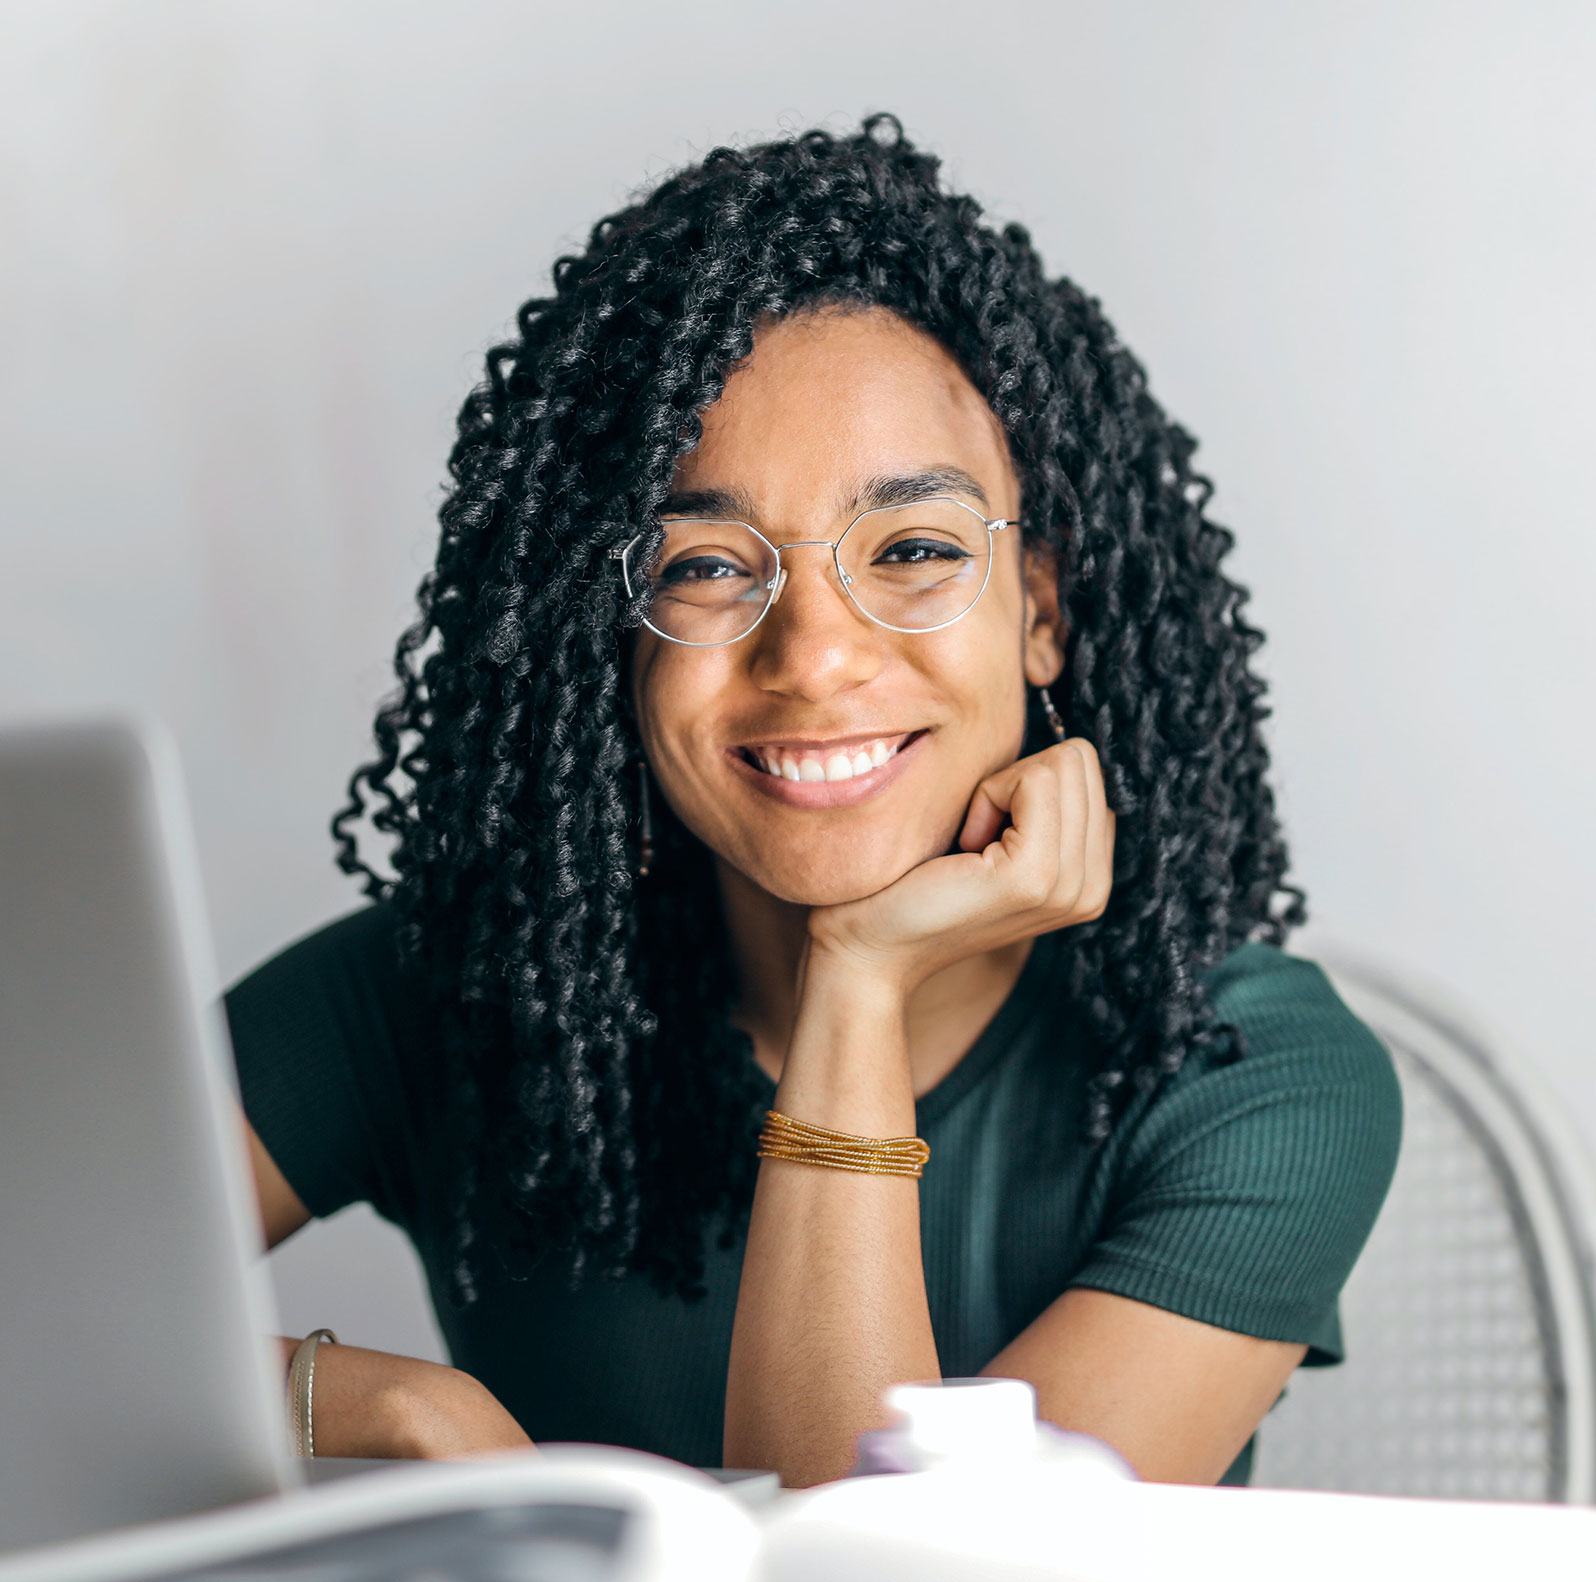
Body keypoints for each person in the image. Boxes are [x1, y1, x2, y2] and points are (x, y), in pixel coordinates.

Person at [229, 115, 1401, 1488]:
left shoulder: (1245, 1072)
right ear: (608, 635)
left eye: (911, 548)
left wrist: (859, 980)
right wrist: (371, 1401)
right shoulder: (456, 987)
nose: (817, 655)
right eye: (708, 567)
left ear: (1042, 609)